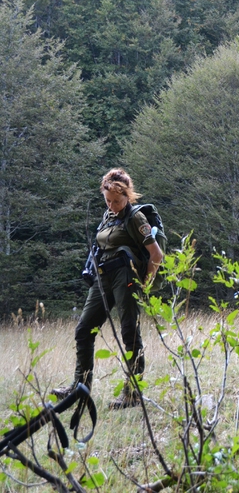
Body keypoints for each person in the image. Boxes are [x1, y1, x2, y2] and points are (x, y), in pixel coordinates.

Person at [53, 168, 163, 410]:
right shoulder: (107, 216)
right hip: (103, 276)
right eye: (108, 200)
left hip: (126, 276)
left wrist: (145, 282)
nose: (112, 205)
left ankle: (133, 393)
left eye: (117, 200)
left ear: (128, 195)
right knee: (84, 329)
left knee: (129, 333)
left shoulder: (135, 218)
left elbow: (156, 254)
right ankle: (80, 388)